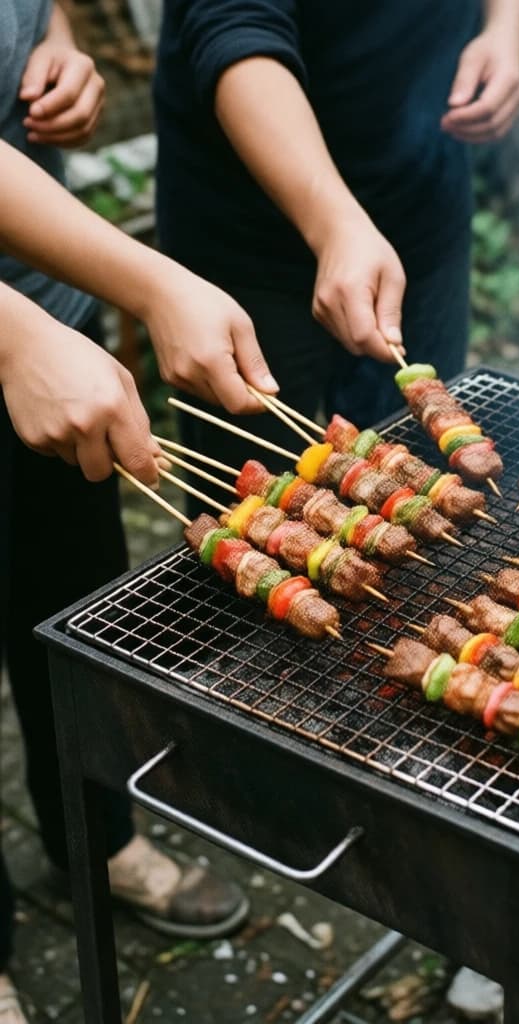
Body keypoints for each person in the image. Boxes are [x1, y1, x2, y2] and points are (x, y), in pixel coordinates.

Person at [0, 4, 277, 1019]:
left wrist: (54, 38)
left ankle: (95, 840)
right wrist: (6, 337)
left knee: (70, 611)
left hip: (48, 304)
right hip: (19, 330)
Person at [154, 0, 519, 482]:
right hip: (252, 235)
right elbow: (236, 24)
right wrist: (335, 225)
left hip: (422, 197)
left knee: (435, 479)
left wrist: (503, 28)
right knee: (259, 491)